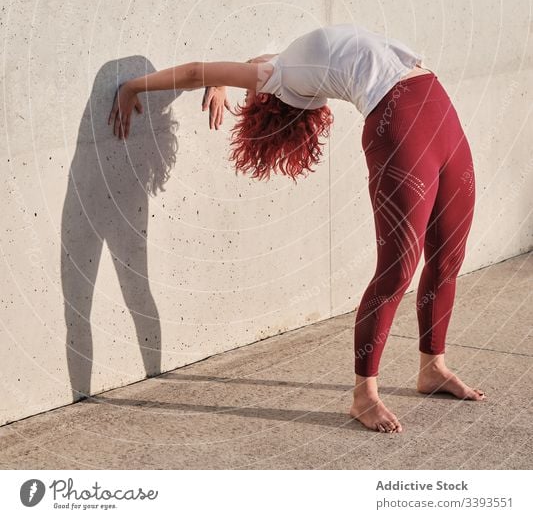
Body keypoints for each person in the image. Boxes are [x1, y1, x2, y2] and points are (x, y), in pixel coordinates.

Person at [108, 22, 485, 434]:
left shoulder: (278, 68)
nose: (249, 94)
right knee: (397, 270)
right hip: (400, 123)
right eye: (251, 97)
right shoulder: (279, 76)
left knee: (449, 254)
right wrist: (133, 88)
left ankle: (433, 367)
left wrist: (219, 82)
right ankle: (364, 395)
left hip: (437, 109)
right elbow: (198, 70)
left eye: (248, 98)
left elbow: (222, 69)